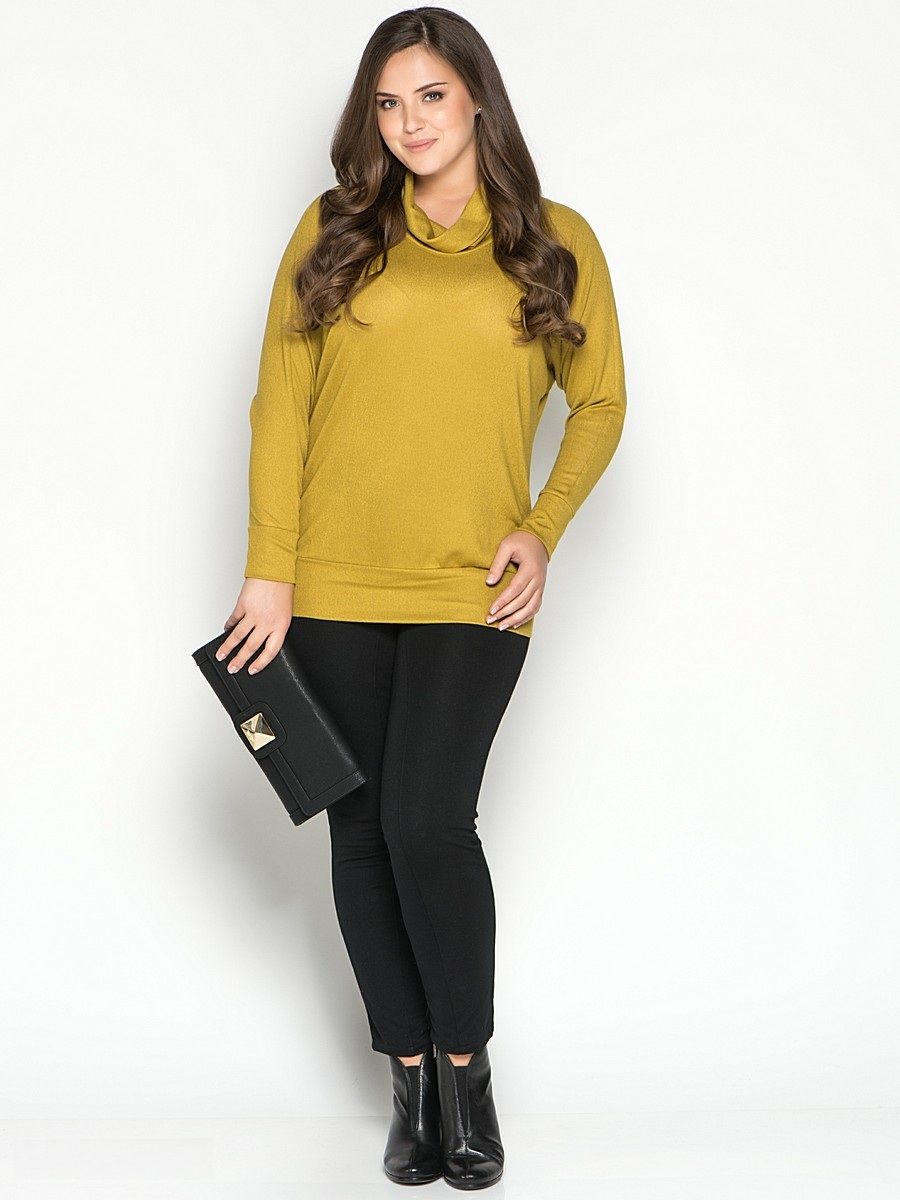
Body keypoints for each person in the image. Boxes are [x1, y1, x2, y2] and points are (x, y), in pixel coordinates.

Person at [215, 7, 626, 1190]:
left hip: (471, 586)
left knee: (428, 823)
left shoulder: (555, 241)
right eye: (388, 104)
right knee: (358, 828)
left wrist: (542, 530)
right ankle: (409, 1080)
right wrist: (270, 570)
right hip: (332, 581)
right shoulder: (335, 231)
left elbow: (600, 401)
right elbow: (280, 403)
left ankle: (466, 1070)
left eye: (430, 96)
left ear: (477, 98)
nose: (408, 123)